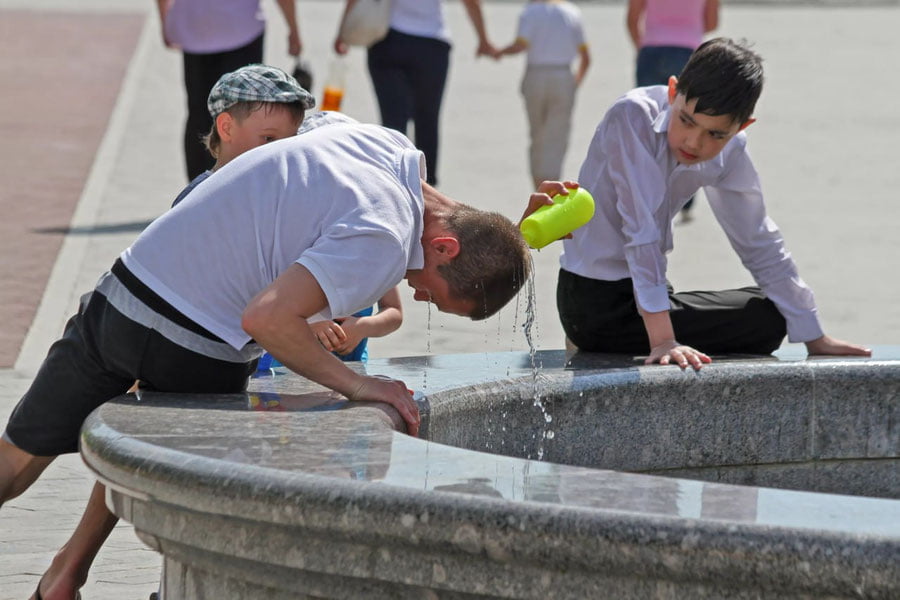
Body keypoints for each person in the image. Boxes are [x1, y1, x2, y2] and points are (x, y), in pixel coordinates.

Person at [1, 121, 529, 600]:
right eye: (435, 294)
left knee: (18, 459)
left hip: (125, 289)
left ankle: (65, 576)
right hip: (194, 339)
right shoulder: (384, 240)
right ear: (443, 249)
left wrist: (515, 235)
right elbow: (266, 320)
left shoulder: (387, 148)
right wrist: (359, 387)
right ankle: (107, 577)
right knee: (203, 500)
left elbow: (463, 226)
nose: (417, 296)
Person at [541, 38, 870, 369]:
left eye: (716, 134)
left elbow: (757, 239)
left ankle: (654, 325)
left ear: (741, 127)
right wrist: (664, 341)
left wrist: (814, 336)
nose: (693, 142)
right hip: (594, 301)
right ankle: (623, 336)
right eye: (686, 120)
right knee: (767, 323)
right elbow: (639, 230)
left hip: (650, 295)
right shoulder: (631, 117)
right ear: (673, 92)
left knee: (774, 313)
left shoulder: (733, 150)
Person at [333, 0, 498, 186]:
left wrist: (342, 31)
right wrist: (483, 39)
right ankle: (427, 195)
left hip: (389, 41)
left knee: (393, 124)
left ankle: (393, 190)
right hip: (432, 43)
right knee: (427, 120)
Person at [156, 0, 304, 181]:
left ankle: (196, 192)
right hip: (239, 27)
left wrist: (166, 19)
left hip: (195, 26)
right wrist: (293, 29)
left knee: (199, 115)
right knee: (244, 117)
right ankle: (235, 184)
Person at [627, 0, 720, 222]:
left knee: (649, 125)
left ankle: (646, 197)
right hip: (688, 51)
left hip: (651, 51)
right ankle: (684, 200)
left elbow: (632, 19)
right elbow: (712, 22)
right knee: (690, 127)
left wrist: (643, 44)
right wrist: (685, 29)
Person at [498, 0, 591, 188]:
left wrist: (498, 52)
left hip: (535, 75)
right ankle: (553, 185)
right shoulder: (572, 12)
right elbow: (586, 57)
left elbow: (520, 45)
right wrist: (575, 84)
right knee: (557, 136)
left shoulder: (529, 12)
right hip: (563, 75)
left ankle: (538, 186)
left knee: (537, 135)